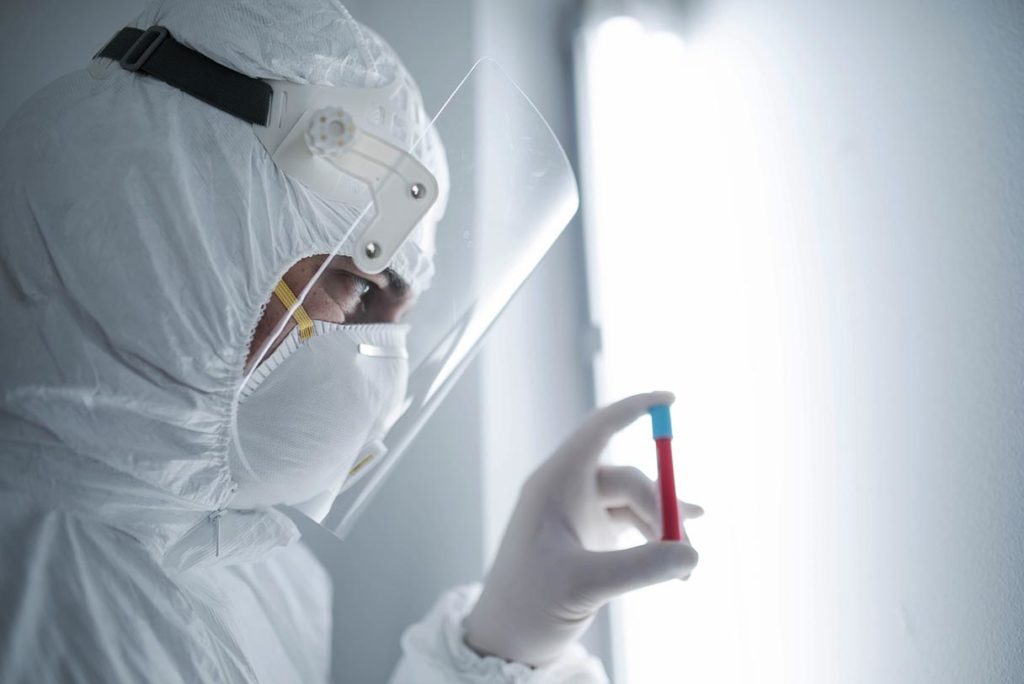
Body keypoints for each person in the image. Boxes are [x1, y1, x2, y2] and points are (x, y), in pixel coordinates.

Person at [0, 0, 701, 681]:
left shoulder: (244, 566)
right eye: (362, 286)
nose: (384, 364)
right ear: (177, 230)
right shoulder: (38, 599)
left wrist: (505, 641)